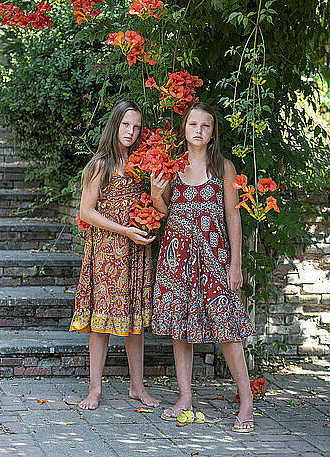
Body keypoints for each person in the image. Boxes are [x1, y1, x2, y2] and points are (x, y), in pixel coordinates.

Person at [151, 102, 255, 433]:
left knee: (228, 327)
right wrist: (155, 194)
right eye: (193, 124)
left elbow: (233, 215)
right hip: (177, 256)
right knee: (180, 329)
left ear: (212, 133)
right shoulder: (172, 166)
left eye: (205, 125)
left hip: (215, 257)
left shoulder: (223, 166)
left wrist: (236, 263)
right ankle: (184, 398)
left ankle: (247, 401)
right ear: (184, 129)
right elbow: (164, 211)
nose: (198, 130)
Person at [70, 99, 159, 410]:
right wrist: (124, 231)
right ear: (115, 124)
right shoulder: (100, 165)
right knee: (102, 323)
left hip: (136, 250)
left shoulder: (142, 164)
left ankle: (138, 387)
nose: (131, 132)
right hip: (107, 252)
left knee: (134, 321)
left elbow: (155, 202)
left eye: (136, 127)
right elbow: (86, 211)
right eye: (125, 125)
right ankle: (95, 389)